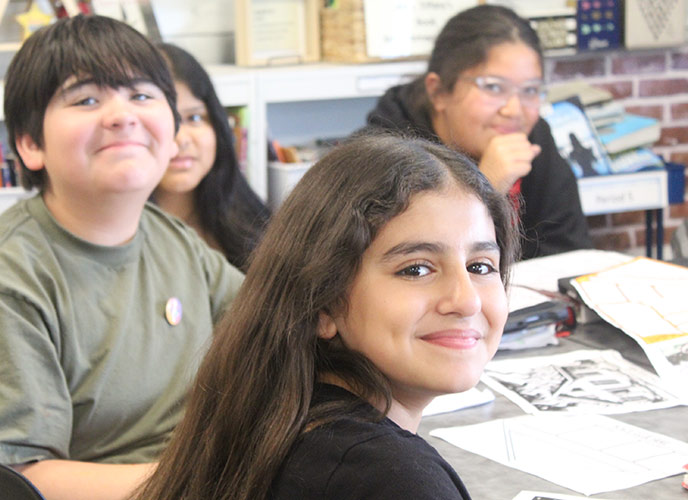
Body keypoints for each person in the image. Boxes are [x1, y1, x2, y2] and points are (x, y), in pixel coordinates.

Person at [0, 15, 243, 500]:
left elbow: (266, 327)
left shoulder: (170, 239)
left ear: (172, 131)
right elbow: (13, 482)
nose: (121, 114)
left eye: (143, 95)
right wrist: (206, 480)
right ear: (29, 144)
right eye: (86, 99)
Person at [133, 133, 520, 500]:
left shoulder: (280, 416)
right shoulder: (389, 477)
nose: (465, 301)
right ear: (323, 302)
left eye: (481, 266)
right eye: (416, 269)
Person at [366, 4, 591, 260]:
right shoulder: (384, 154)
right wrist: (487, 188)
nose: (514, 110)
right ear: (438, 92)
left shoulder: (533, 137)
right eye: (494, 87)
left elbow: (570, 252)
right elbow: (403, 266)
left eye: (530, 90)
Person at [152, 43, 270, 271]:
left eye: (195, 118)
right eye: (166, 121)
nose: (181, 139)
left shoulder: (256, 227)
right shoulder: (119, 239)